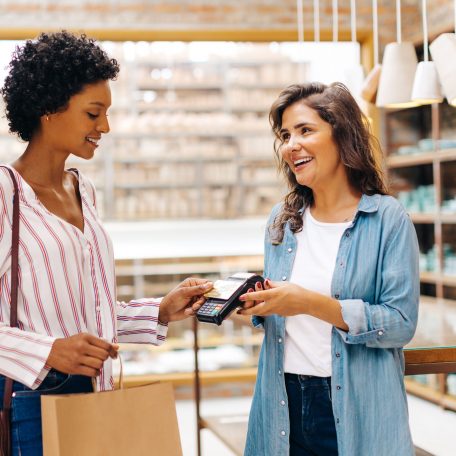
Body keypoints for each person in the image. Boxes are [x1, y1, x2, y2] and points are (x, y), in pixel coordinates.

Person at [0, 31, 212, 455]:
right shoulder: (6, 193)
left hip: (99, 388)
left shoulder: (84, 190)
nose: (105, 127)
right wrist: (49, 350)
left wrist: (160, 311)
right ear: (48, 109)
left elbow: (88, 309)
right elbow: (55, 337)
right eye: (93, 113)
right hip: (34, 401)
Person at [237, 82, 420, 455]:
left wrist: (307, 302)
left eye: (305, 130)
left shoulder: (387, 219)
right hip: (282, 398)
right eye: (285, 135)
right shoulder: (282, 220)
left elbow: (400, 323)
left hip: (353, 403)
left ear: (343, 135)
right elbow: (282, 314)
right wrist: (250, 304)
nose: (291, 145)